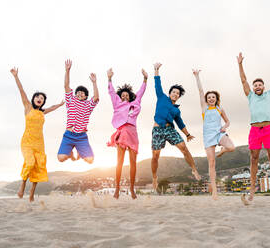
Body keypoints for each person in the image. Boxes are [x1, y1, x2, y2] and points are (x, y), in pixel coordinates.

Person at [237, 50, 270, 203]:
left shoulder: (269, 94)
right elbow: (243, 80)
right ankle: (252, 190)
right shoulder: (250, 96)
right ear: (253, 88)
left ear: (263, 87)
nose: (257, 86)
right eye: (255, 85)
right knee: (254, 159)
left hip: (268, 130)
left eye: (260, 85)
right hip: (254, 131)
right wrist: (240, 64)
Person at [10, 67, 64, 202]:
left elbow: (51, 108)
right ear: (33, 99)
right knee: (29, 162)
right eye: (37, 97)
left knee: (39, 167)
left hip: (39, 144)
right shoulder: (28, 108)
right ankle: (22, 184)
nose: (39, 99)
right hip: (27, 142)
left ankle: (32, 194)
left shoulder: (42, 112)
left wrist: (60, 104)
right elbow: (21, 91)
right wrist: (16, 76)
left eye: (42, 98)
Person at [151, 62, 201, 191]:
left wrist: (188, 134)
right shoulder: (161, 97)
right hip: (157, 130)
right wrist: (156, 70)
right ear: (170, 93)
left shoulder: (176, 110)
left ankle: (194, 169)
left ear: (179, 96)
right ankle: (155, 176)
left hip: (170, 130)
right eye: (173, 92)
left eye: (177, 93)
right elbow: (157, 84)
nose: (175, 94)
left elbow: (180, 123)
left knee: (184, 147)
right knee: (155, 155)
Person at [192, 69, 235, 200]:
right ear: (207, 99)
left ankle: (222, 151)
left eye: (213, 97)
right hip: (208, 137)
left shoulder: (219, 108)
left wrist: (224, 127)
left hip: (219, 133)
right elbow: (200, 91)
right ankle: (214, 191)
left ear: (216, 99)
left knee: (232, 147)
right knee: (211, 163)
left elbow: (228, 121)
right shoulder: (204, 108)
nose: (211, 98)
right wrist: (197, 76)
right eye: (209, 97)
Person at [106, 68, 147, 199]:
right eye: (122, 95)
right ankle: (117, 189)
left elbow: (141, 92)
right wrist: (109, 79)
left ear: (130, 97)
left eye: (126, 95)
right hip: (122, 132)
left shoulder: (135, 103)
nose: (124, 96)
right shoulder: (117, 104)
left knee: (133, 163)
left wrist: (145, 79)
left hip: (133, 133)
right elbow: (111, 93)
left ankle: (132, 189)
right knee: (119, 162)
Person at [57, 59, 99, 164]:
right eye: (78, 92)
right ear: (75, 94)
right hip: (69, 134)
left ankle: (80, 151)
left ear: (86, 96)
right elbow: (66, 86)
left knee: (90, 160)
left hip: (81, 136)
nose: (80, 93)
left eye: (82, 93)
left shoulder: (88, 105)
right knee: (61, 158)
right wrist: (67, 71)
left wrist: (94, 83)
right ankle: (70, 153)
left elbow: (96, 97)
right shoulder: (70, 100)